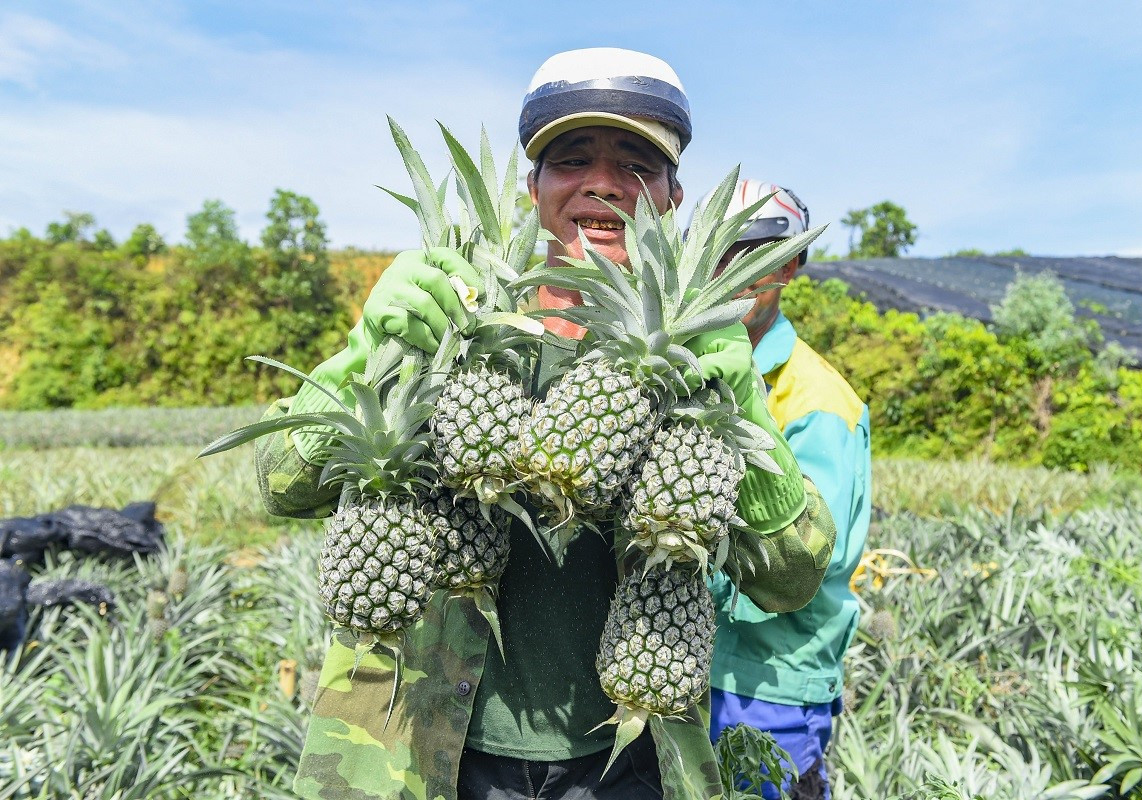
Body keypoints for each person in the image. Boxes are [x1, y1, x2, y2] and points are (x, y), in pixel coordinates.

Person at [255, 48, 839, 800]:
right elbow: (279, 486)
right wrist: (368, 350)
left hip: (630, 760)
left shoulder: (692, 362)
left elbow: (791, 581)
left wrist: (742, 408)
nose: (603, 182)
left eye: (636, 164)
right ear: (533, 188)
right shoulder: (452, 323)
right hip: (417, 749)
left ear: (672, 197)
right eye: (572, 159)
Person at [692, 180, 871, 800]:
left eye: (756, 254)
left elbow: (814, 554)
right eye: (718, 252)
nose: (734, 271)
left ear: (790, 265)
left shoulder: (818, 400)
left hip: (770, 683)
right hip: (683, 664)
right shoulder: (686, 367)